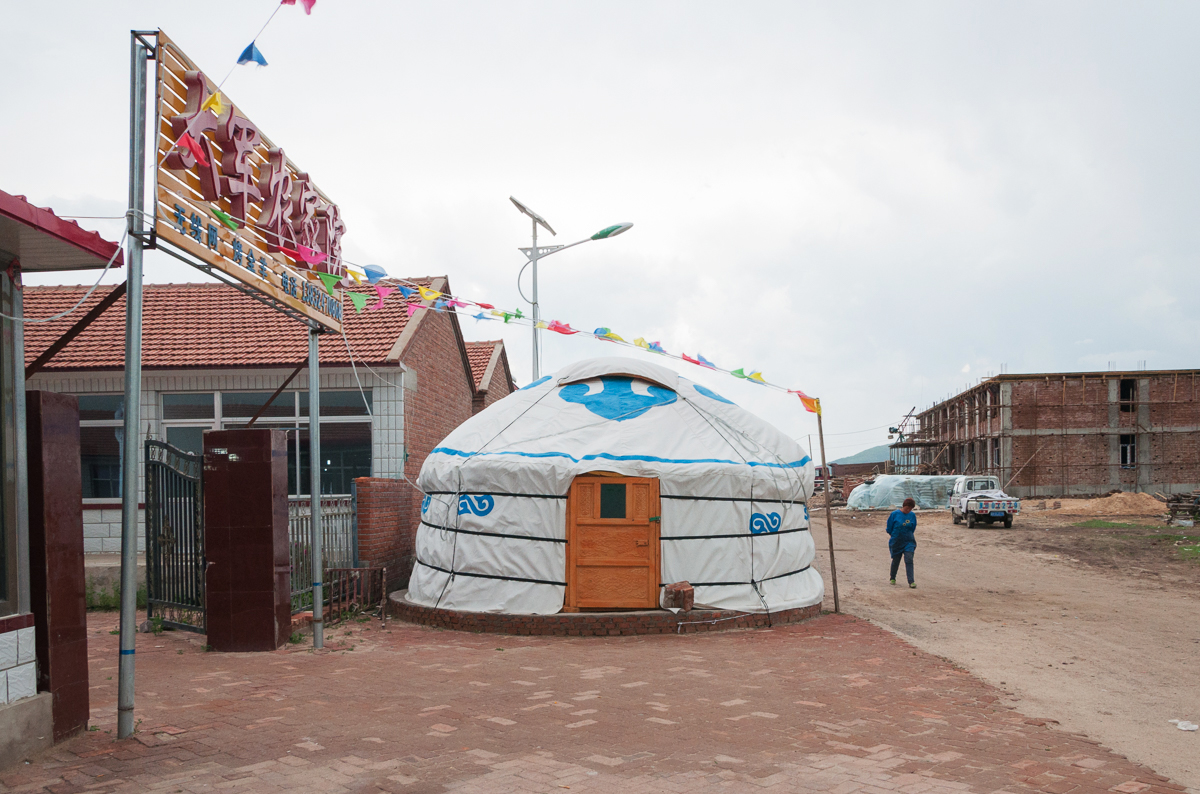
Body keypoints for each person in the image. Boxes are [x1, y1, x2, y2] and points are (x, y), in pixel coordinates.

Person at [886, 497, 918, 588]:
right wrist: (895, 535)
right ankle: (893, 577)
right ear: (904, 506)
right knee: (896, 560)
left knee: (909, 560)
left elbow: (913, 527)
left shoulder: (912, 515)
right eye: (907, 508)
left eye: (910, 509)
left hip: (909, 541)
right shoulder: (894, 514)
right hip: (896, 541)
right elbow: (889, 528)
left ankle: (911, 581)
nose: (908, 510)